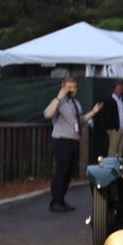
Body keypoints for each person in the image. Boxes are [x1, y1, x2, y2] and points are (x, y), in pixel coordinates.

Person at [44, 77, 102, 213]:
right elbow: (48, 114)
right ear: (63, 88)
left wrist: (93, 112)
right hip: (61, 141)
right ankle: (55, 202)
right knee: (61, 172)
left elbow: (80, 120)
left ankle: (61, 200)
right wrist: (59, 97)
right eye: (69, 87)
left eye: (74, 87)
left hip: (74, 141)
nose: (72, 90)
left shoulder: (76, 103)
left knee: (68, 173)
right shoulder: (59, 102)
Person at [99, 81, 123, 157]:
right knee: (113, 149)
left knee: (120, 150)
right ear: (114, 89)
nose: (119, 91)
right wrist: (112, 126)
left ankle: (118, 166)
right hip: (114, 129)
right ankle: (110, 165)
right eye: (117, 89)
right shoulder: (109, 100)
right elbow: (107, 115)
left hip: (121, 128)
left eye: (120, 89)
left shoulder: (120, 101)